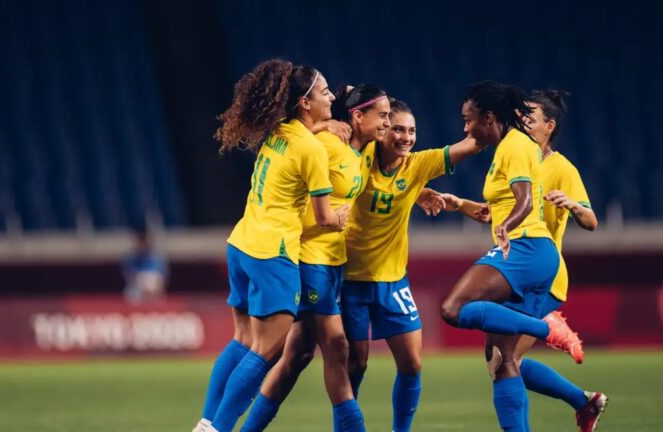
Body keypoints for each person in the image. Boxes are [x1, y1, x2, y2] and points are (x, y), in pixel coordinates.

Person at [428, 90, 607, 431]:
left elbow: (591, 221)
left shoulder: (557, 166)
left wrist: (571, 204)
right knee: (502, 359)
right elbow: (496, 212)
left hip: (538, 267)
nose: (524, 120)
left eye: (531, 117)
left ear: (549, 126)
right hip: (521, 258)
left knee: (502, 357)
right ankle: (584, 402)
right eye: (522, 115)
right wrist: (459, 204)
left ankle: (558, 347)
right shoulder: (517, 152)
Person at [193, 59, 349, 432]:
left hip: (242, 243)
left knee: (244, 340)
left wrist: (326, 124)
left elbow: (303, 133)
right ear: (305, 102)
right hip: (272, 253)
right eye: (324, 91)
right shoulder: (311, 151)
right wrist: (341, 218)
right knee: (267, 351)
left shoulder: (277, 131)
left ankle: (207, 422)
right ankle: (218, 429)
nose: (331, 97)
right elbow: (325, 216)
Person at [240, 84, 389, 432]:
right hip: (310, 258)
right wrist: (321, 127)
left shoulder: (363, 151)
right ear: (357, 116)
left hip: (334, 262)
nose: (386, 122)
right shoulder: (325, 145)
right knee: (337, 346)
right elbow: (299, 142)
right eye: (381, 116)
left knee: (299, 355)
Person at [341, 98, 481, 432]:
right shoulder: (357, 159)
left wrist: (489, 115)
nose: (406, 137)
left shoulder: (417, 165)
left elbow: (472, 144)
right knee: (356, 364)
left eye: (412, 130)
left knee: (413, 364)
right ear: (382, 128)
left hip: (393, 281)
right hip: (350, 280)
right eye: (398, 129)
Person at [121, 227, 168, 304]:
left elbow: (162, 278)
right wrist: (142, 282)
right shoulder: (131, 257)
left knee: (154, 284)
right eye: (141, 240)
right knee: (131, 291)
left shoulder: (157, 257)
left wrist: (151, 286)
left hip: (154, 289)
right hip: (137, 288)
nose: (143, 243)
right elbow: (129, 276)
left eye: (145, 240)